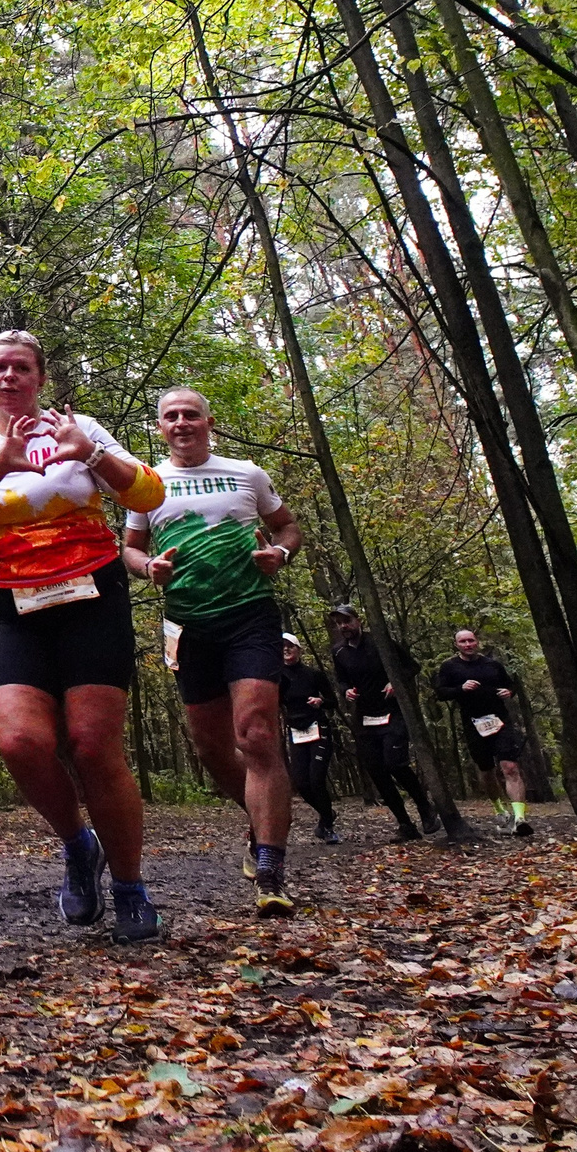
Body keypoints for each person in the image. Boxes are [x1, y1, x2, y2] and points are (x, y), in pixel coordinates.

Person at [0, 328, 168, 942]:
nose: (9, 376)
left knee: (92, 747)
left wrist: (89, 454)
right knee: (19, 742)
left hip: (93, 599)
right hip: (16, 607)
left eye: (21, 367)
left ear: (40, 378)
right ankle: (78, 845)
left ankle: (130, 889)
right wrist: (0, 463)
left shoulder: (78, 428)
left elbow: (149, 491)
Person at [122, 387, 308, 917]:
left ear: (209, 422)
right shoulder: (147, 484)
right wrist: (148, 568)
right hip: (188, 626)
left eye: (191, 414)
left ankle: (270, 869)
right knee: (211, 748)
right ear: (161, 427)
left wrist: (280, 553)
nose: (181, 423)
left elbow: (287, 527)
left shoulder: (247, 473)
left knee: (257, 735)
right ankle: (259, 820)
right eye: (171, 416)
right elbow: (130, 549)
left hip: (249, 616)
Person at [328, 604, 439, 841]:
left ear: (358, 620)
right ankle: (405, 824)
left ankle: (425, 808)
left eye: (347, 621)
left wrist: (395, 682)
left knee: (395, 763)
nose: (344, 626)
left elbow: (412, 666)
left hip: (392, 712)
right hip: (365, 717)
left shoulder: (380, 642)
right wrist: (346, 691)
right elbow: (341, 679)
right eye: (339, 623)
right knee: (376, 771)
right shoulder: (339, 651)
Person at [434, 628, 531, 837]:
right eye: (463, 642)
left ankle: (520, 819)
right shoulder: (450, 667)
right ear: (456, 645)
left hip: (500, 721)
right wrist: (461, 688)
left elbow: (510, 685)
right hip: (473, 724)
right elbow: (440, 692)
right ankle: (500, 811)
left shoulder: (492, 664)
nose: (468, 644)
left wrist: (509, 692)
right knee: (486, 771)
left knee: (510, 767)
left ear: (477, 641)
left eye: (471, 640)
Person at [279, 633, 340, 846]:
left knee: (316, 779)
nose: (286, 650)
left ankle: (328, 827)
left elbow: (333, 701)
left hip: (317, 728)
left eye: (290, 646)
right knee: (301, 783)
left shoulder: (314, 675)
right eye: (282, 647)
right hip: (296, 732)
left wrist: (320, 701)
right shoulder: (278, 678)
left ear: (298, 649)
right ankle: (327, 813)